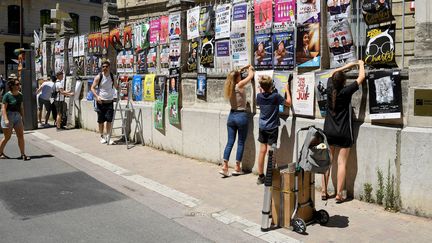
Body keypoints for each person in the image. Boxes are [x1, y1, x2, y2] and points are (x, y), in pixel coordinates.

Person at [321, 60, 365, 203]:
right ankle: (339, 194)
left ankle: (324, 191)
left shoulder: (328, 87)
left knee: (327, 162)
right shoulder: (346, 91)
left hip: (328, 131)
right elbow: (362, 77)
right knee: (341, 163)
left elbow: (334, 73)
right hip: (343, 132)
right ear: (344, 82)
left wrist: (348, 65)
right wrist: (360, 64)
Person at [219, 65, 255, 177]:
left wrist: (243, 67)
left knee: (230, 142)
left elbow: (234, 73)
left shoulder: (229, 86)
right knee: (240, 142)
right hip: (241, 115)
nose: (241, 76)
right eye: (240, 76)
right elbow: (251, 76)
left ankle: (224, 166)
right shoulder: (240, 85)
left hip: (232, 115)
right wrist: (250, 69)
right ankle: (237, 167)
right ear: (237, 78)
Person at [256, 75, 291, 184]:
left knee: (262, 151)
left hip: (262, 126)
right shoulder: (276, 97)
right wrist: (287, 90)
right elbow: (288, 103)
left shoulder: (259, 96)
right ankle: (270, 176)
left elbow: (261, 96)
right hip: (272, 128)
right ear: (272, 86)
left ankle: (261, 176)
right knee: (271, 152)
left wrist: (263, 89)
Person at [0, 76, 30, 160]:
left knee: (21, 136)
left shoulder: (20, 95)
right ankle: (0, 153)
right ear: (12, 86)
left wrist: (23, 118)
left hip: (17, 116)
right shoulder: (7, 95)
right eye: (17, 84)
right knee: (7, 137)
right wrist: (5, 119)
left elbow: (21, 107)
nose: (19, 86)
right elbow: (3, 108)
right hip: (8, 116)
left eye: (19, 84)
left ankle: (23, 154)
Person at [91, 61, 118, 144]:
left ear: (109, 67)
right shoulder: (99, 77)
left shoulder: (112, 76)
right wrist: (97, 96)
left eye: (106, 66)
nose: (104, 68)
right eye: (103, 67)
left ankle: (108, 136)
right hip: (101, 102)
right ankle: (102, 136)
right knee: (101, 121)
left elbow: (116, 86)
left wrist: (123, 89)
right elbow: (92, 88)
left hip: (109, 101)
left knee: (109, 121)